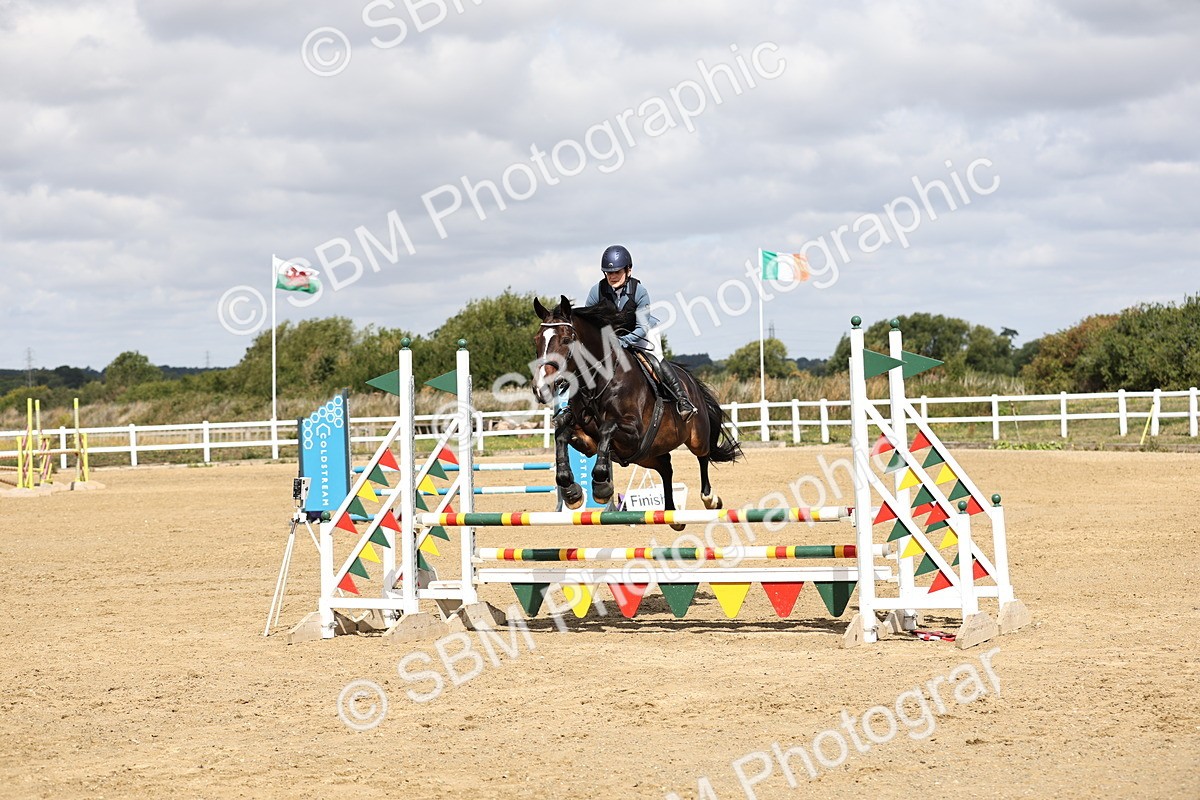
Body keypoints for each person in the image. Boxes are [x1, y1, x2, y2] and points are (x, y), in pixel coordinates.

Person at [585, 244, 697, 421]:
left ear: (628, 270)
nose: (612, 276)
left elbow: (642, 328)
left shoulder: (639, 291)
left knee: (656, 360)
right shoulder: (596, 291)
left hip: (641, 334)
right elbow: (589, 322)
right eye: (609, 273)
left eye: (617, 272)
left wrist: (621, 342)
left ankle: (683, 400)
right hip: (613, 336)